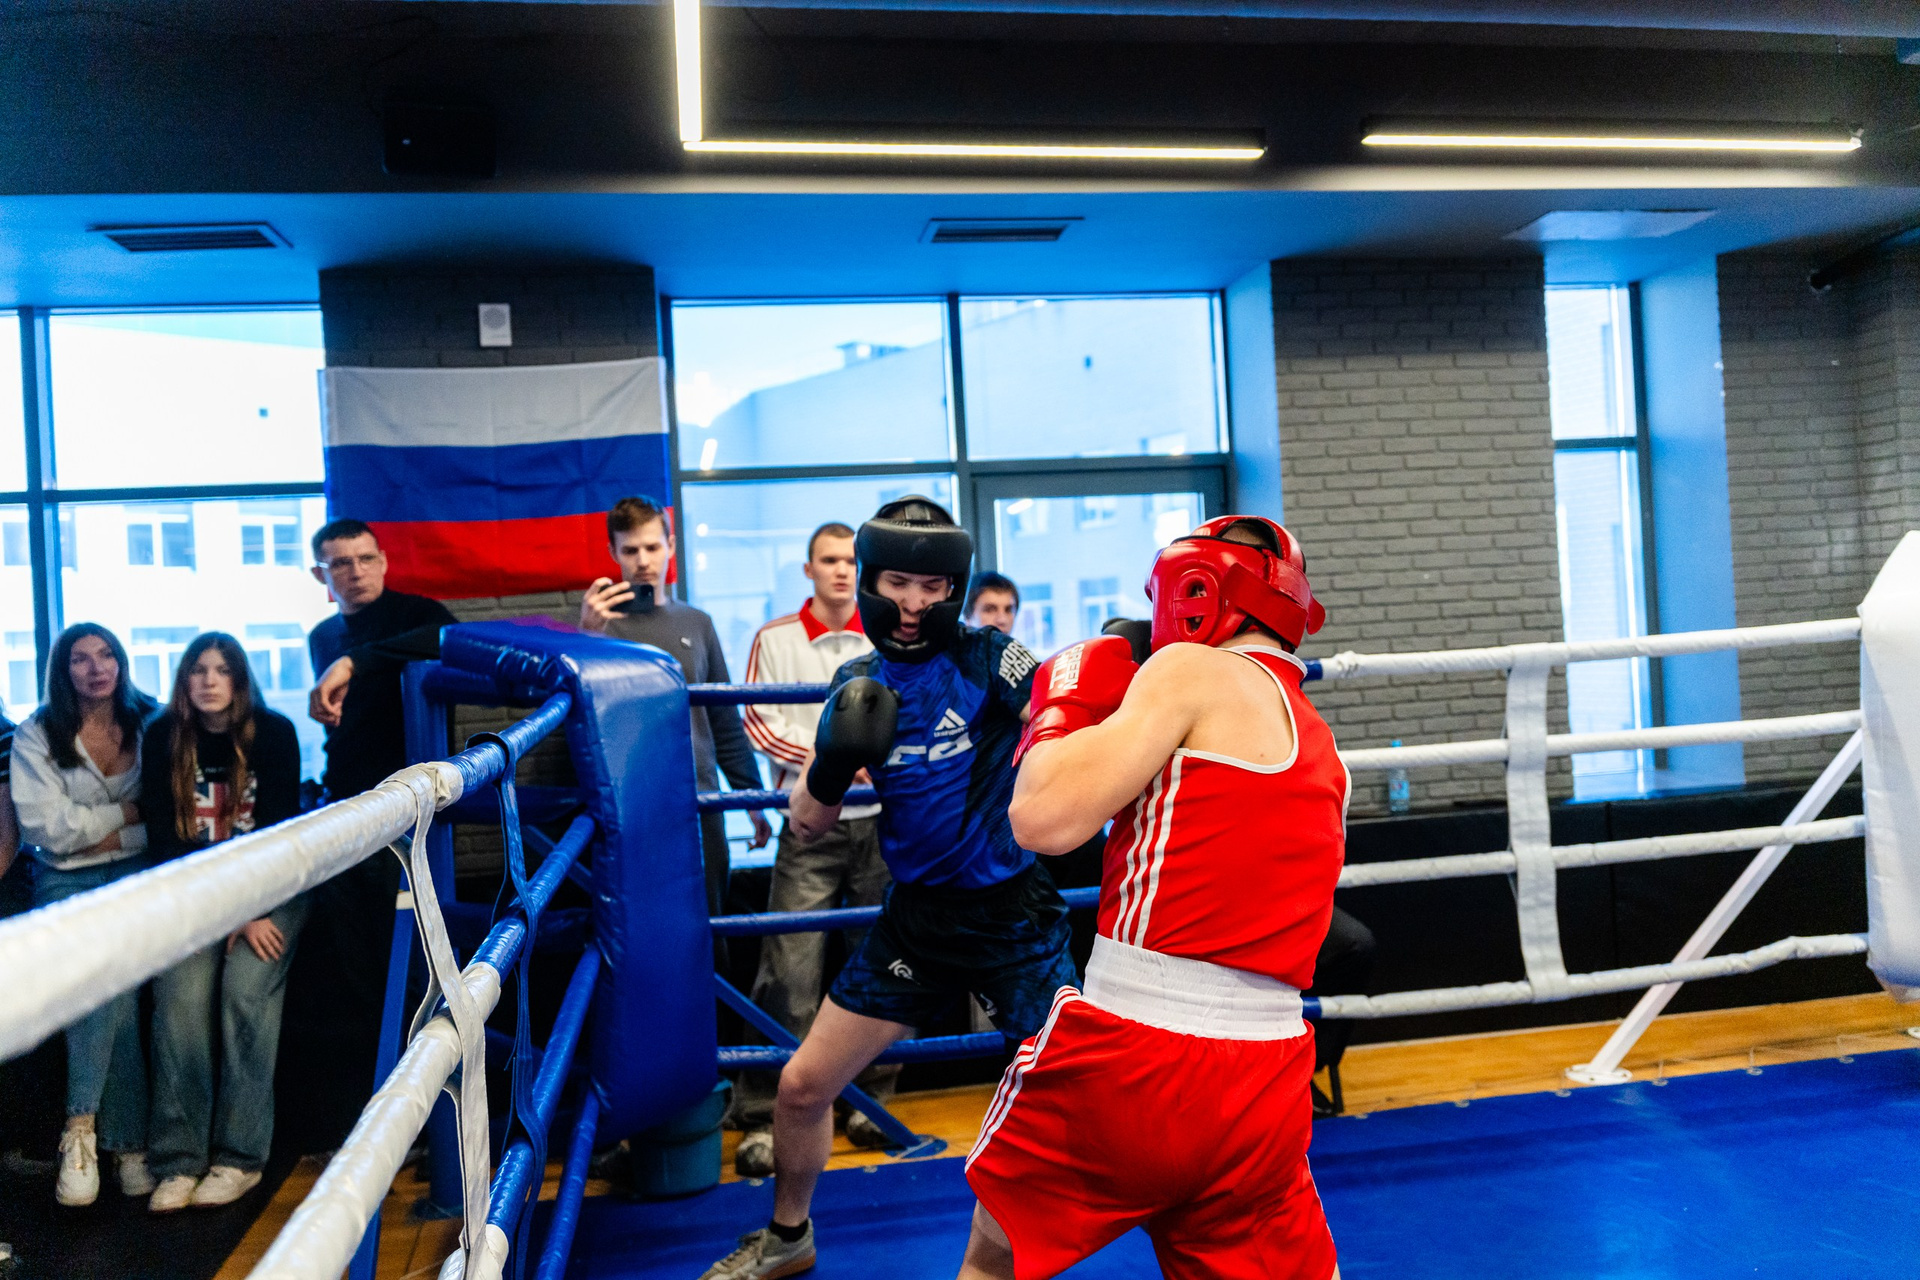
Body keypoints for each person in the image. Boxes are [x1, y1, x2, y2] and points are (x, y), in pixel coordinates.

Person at [699, 497, 1076, 1280]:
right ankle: (788, 1238)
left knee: (1062, 1096)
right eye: (898, 584)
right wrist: (836, 760)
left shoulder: (992, 659)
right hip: (916, 922)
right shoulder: (856, 681)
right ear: (871, 583)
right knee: (802, 1086)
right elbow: (807, 822)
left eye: (932, 588)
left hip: (1012, 918)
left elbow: (1071, 723)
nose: (911, 604)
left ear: (953, 591)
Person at [962, 516, 1347, 1280]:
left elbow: (1041, 820)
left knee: (993, 1261)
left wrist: (1063, 705)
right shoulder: (1324, 747)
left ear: (1193, 590)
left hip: (1138, 1056)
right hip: (1270, 1079)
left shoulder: (1186, 672)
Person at [734, 522, 895, 1177]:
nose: (840, 570)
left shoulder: (886, 637)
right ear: (808, 569)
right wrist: (835, 759)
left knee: (882, 965)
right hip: (808, 823)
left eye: (850, 560)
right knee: (790, 969)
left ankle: (870, 1103)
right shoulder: (774, 638)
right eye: (829, 559)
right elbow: (756, 719)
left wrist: (861, 761)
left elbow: (906, 715)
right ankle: (763, 1114)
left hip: (880, 822)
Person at [293, 518, 456, 1146]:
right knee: (360, 973)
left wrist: (352, 663)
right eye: (340, 563)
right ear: (321, 574)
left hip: (412, 819)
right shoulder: (322, 635)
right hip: (349, 814)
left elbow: (449, 636)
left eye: (365, 559)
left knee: (417, 974)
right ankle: (386, 1122)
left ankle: (430, 1120)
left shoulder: (418, 613)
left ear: (383, 561)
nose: (355, 572)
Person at [141, 634, 304, 1212]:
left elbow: (279, 834)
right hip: (195, 897)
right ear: (184, 680)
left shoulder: (274, 732)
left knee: (244, 989)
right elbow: (164, 842)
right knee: (180, 999)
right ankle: (179, 1160)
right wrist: (215, 910)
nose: (209, 681)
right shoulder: (162, 735)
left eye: (222, 670)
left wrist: (249, 910)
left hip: (270, 892)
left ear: (239, 679)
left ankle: (240, 1158)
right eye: (198, 670)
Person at [10, 623, 159, 1207]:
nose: (96, 668)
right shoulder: (36, 732)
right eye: (80, 659)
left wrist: (106, 830)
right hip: (63, 880)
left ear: (121, 662)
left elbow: (167, 815)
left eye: (106, 655)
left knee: (111, 985)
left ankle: (87, 1134)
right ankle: (114, 1141)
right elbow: (47, 829)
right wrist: (128, 814)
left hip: (139, 875)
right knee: (100, 982)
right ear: (62, 670)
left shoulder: (152, 720)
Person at [578, 495, 769, 916]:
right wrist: (586, 638)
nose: (643, 560)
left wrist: (752, 799)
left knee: (711, 918)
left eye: (652, 547)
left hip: (701, 797)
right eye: (631, 550)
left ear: (671, 545)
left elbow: (724, 720)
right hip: (631, 802)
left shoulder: (698, 622)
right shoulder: (599, 626)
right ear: (613, 553)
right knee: (642, 923)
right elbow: (580, 718)